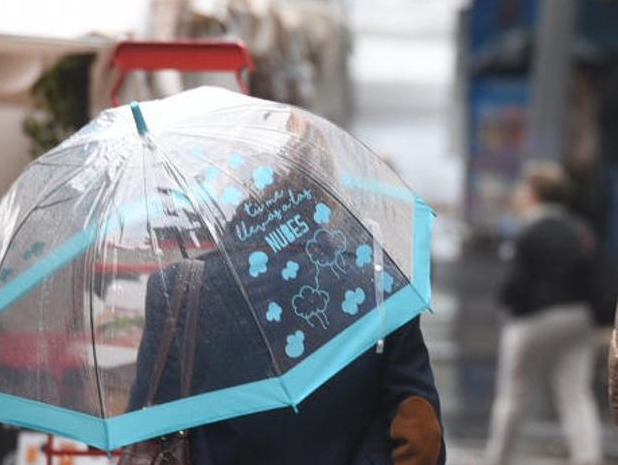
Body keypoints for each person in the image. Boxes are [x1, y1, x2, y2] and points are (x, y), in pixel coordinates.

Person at [125, 162, 446, 464]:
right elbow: (420, 436)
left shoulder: (180, 290)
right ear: (326, 195)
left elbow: (150, 426)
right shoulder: (377, 287)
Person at [484, 161, 602, 465]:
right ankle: (588, 457)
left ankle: (499, 457)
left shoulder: (529, 231)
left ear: (534, 193)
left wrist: (508, 308)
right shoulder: (580, 230)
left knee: (513, 396)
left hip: (533, 320)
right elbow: (594, 277)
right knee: (576, 394)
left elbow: (515, 284)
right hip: (578, 318)